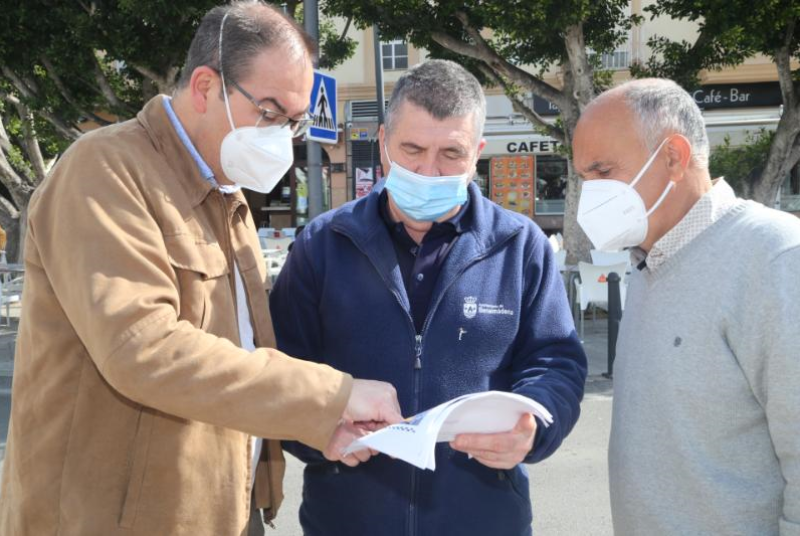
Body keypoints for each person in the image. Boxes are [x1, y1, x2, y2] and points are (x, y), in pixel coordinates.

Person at [0, 3, 402, 535]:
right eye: (269, 111)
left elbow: (234, 358)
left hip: (217, 511)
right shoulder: (104, 170)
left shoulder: (224, 192)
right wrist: (331, 395)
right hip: (110, 519)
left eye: (294, 120)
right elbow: (142, 348)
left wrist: (315, 426)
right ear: (206, 86)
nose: (283, 136)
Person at [270, 59, 587, 536]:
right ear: (382, 144)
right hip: (346, 518)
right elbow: (279, 369)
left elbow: (556, 362)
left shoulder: (521, 246)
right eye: (412, 149)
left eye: (451, 154)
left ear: (477, 153)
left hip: (485, 520)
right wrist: (321, 436)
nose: (428, 170)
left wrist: (533, 427)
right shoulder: (323, 244)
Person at [572, 78, 800, 535]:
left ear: (673, 157)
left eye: (602, 171)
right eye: (582, 178)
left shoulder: (775, 257)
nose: (588, 195)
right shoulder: (649, 259)